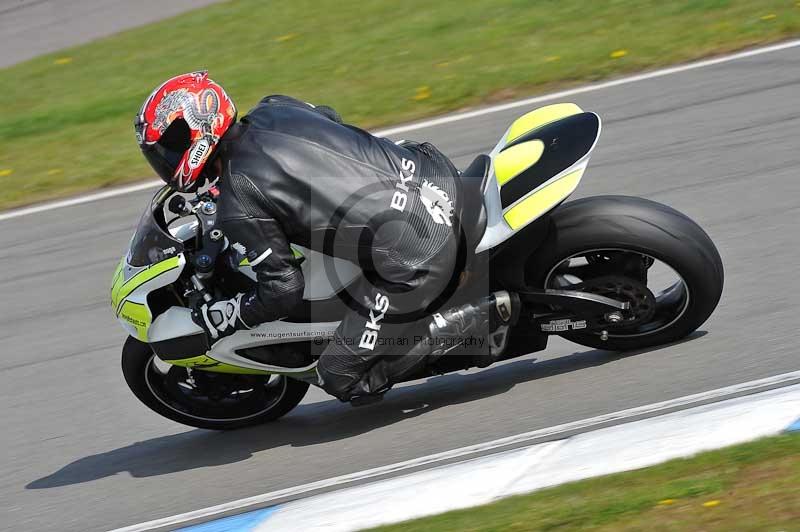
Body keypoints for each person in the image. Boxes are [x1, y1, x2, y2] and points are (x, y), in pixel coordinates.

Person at [135, 71, 517, 402]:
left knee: (339, 376)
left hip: (417, 258)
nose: (165, 162)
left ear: (196, 135)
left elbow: (282, 291)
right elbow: (330, 120)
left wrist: (224, 317)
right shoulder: (273, 107)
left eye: (167, 149)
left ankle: (472, 321)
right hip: (430, 172)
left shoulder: (239, 201)